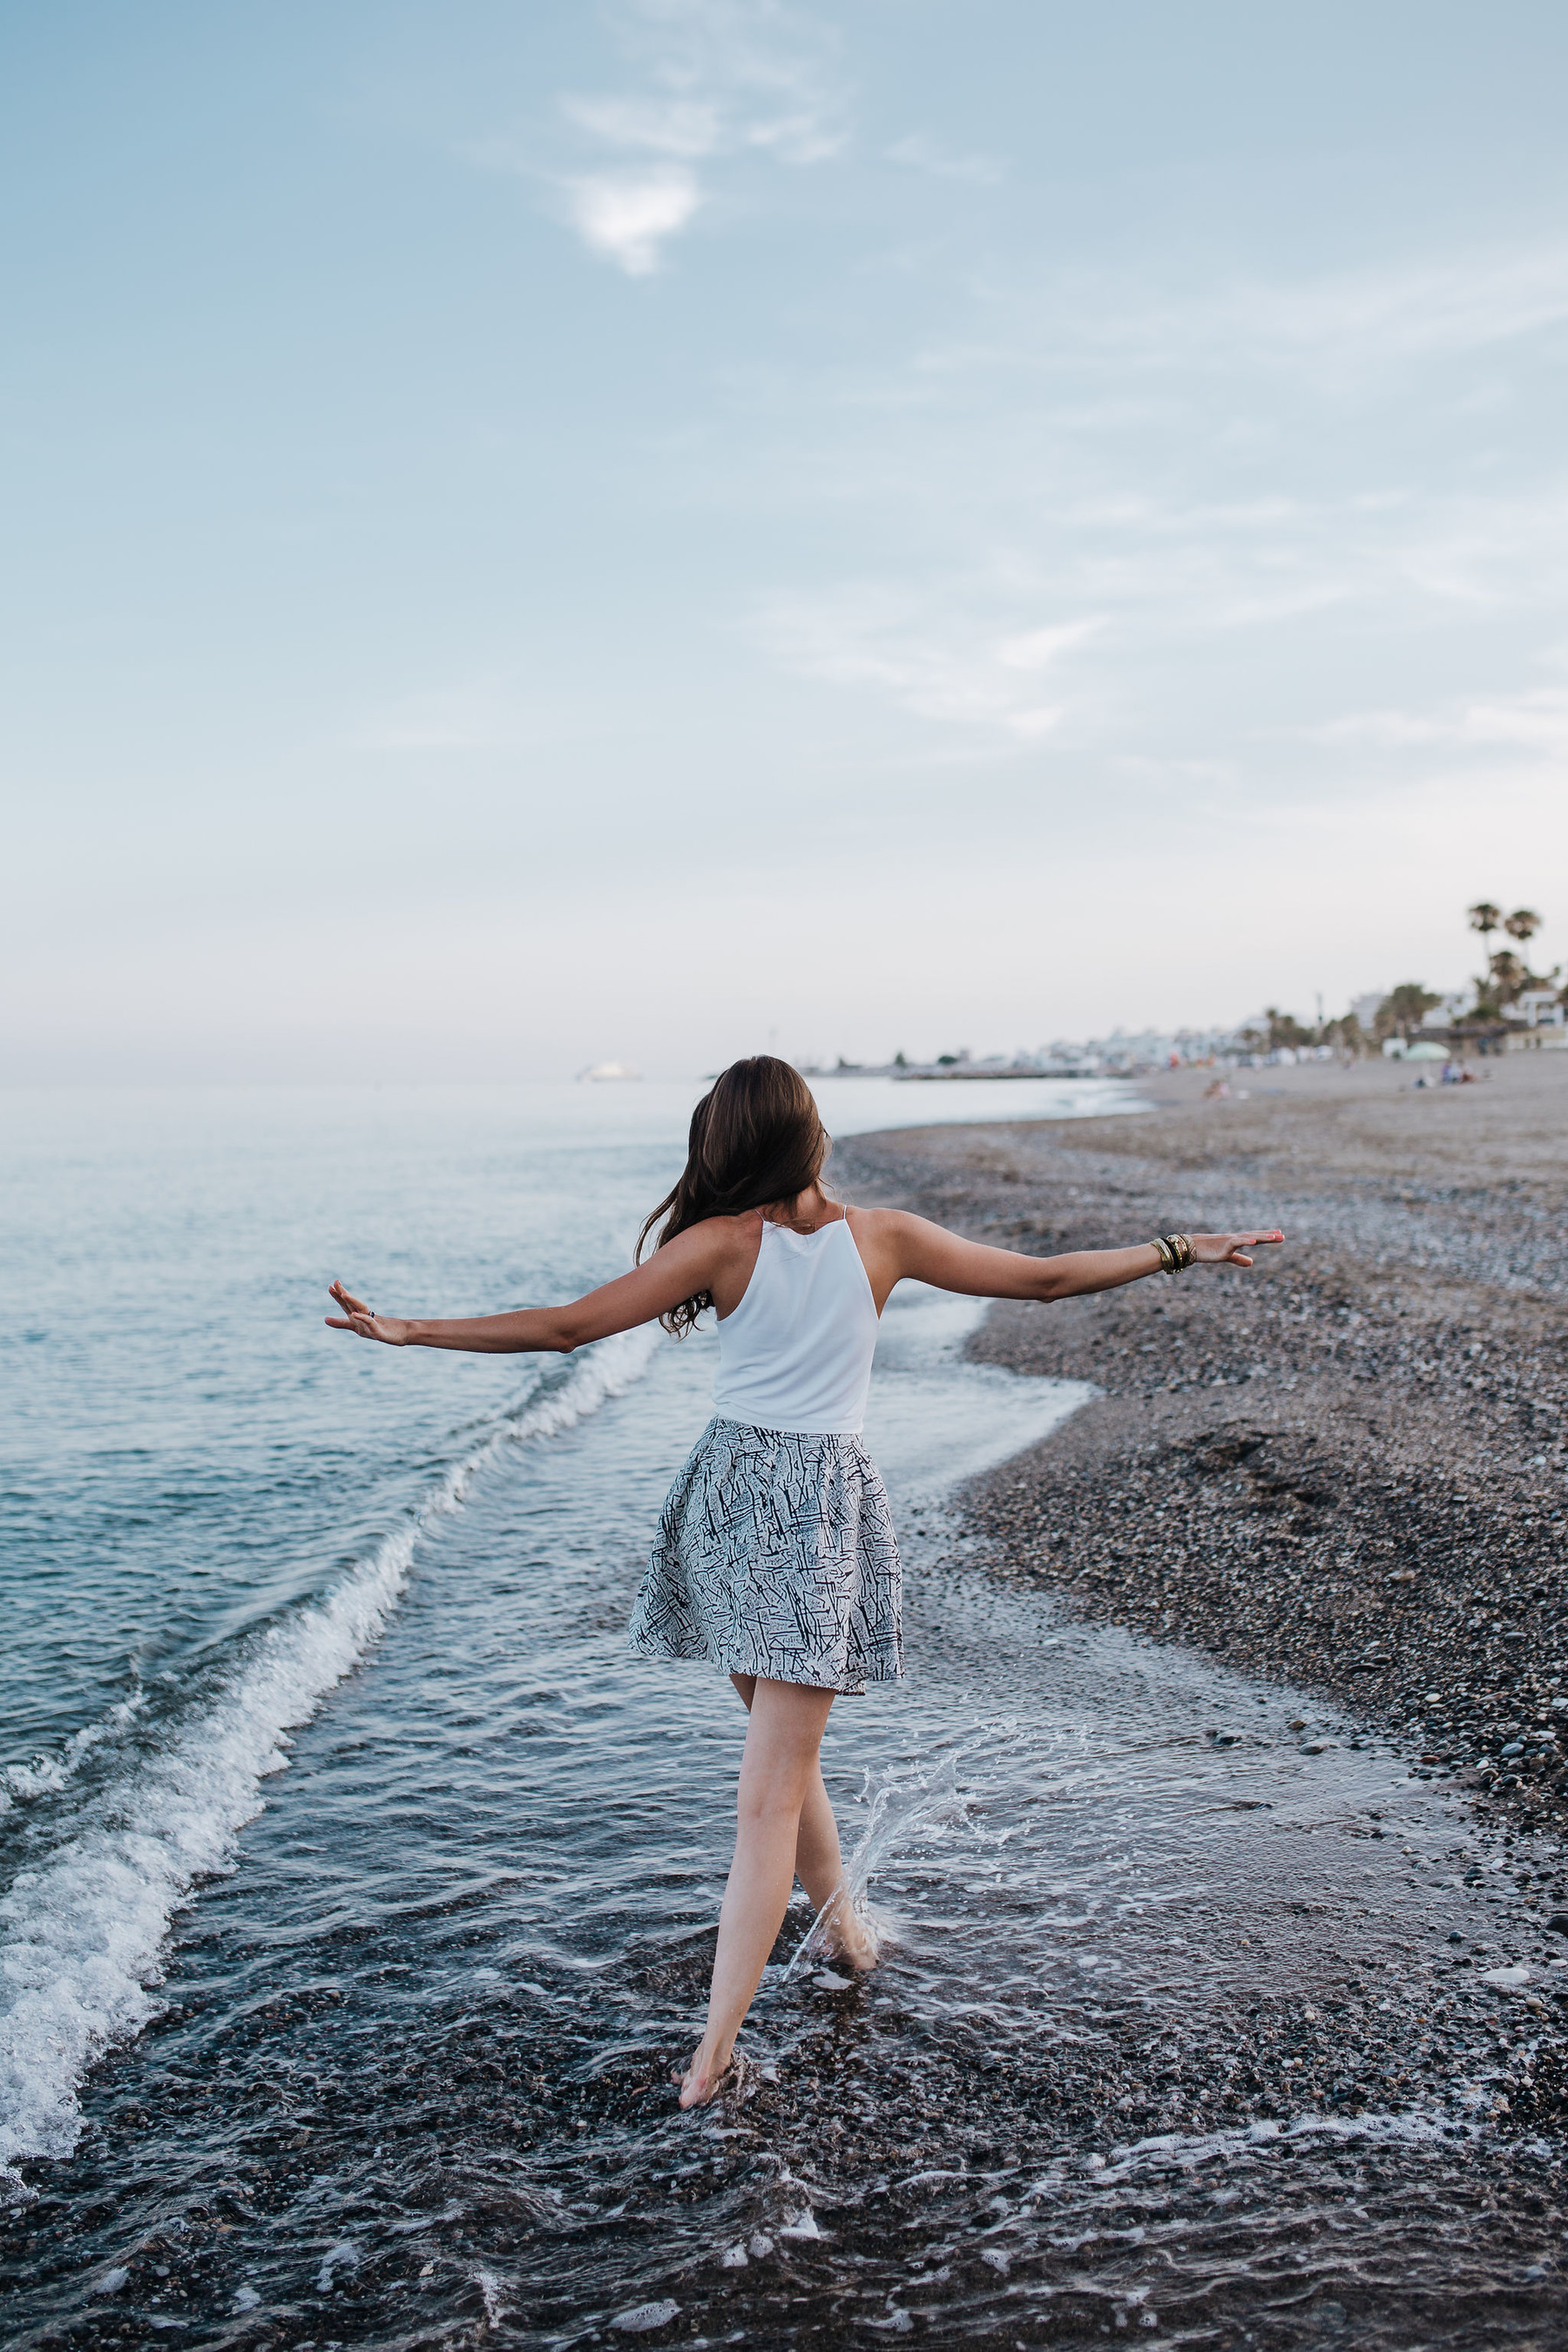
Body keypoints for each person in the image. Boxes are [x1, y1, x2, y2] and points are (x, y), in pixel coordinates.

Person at [327, 1056, 1282, 2107]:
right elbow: (1045, 1278)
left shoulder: (720, 1245)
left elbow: (567, 1326)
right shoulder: (884, 1237)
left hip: (730, 1496)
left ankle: (771, 1997)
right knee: (776, 1780)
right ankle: (768, 2004)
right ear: (809, 1133)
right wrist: (1180, 1248)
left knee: (777, 1774)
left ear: (730, 1148)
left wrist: (414, 1330)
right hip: (815, 1505)